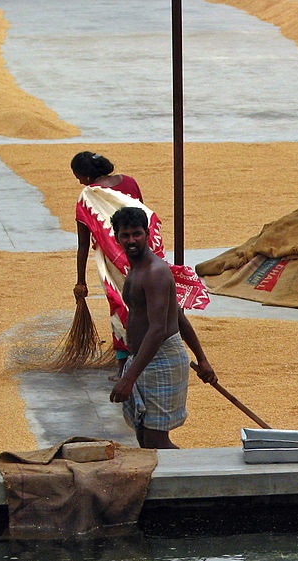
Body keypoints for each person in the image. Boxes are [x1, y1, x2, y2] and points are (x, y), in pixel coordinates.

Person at [71, 151, 210, 374]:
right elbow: (142, 215)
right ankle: (141, 358)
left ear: (85, 176)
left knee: (121, 307)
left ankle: (125, 365)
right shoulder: (129, 182)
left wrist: (80, 281)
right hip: (147, 252)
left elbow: (83, 245)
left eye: (78, 177)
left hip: (116, 260)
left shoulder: (88, 198)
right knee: (166, 307)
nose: (79, 182)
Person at [108, 207, 216, 449]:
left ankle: (195, 478)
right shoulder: (136, 269)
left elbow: (158, 329)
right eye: (125, 235)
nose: (131, 240)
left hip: (162, 359)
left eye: (137, 234)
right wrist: (202, 359)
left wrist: (128, 378)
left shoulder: (155, 272)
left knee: (156, 440)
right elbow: (177, 314)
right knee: (144, 437)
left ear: (147, 234)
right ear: (116, 237)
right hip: (143, 359)